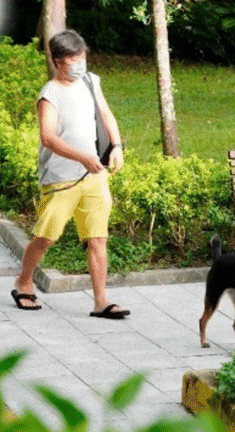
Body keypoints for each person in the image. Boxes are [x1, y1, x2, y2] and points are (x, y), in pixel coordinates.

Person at [12, 29, 129, 319]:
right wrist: (84, 157)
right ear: (56, 61)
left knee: (97, 238)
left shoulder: (90, 81)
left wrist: (116, 146)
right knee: (46, 237)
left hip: (94, 176)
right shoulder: (49, 94)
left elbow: (105, 113)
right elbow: (48, 139)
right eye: (72, 60)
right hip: (61, 179)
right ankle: (23, 282)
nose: (80, 64)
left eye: (82, 57)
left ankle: (101, 301)